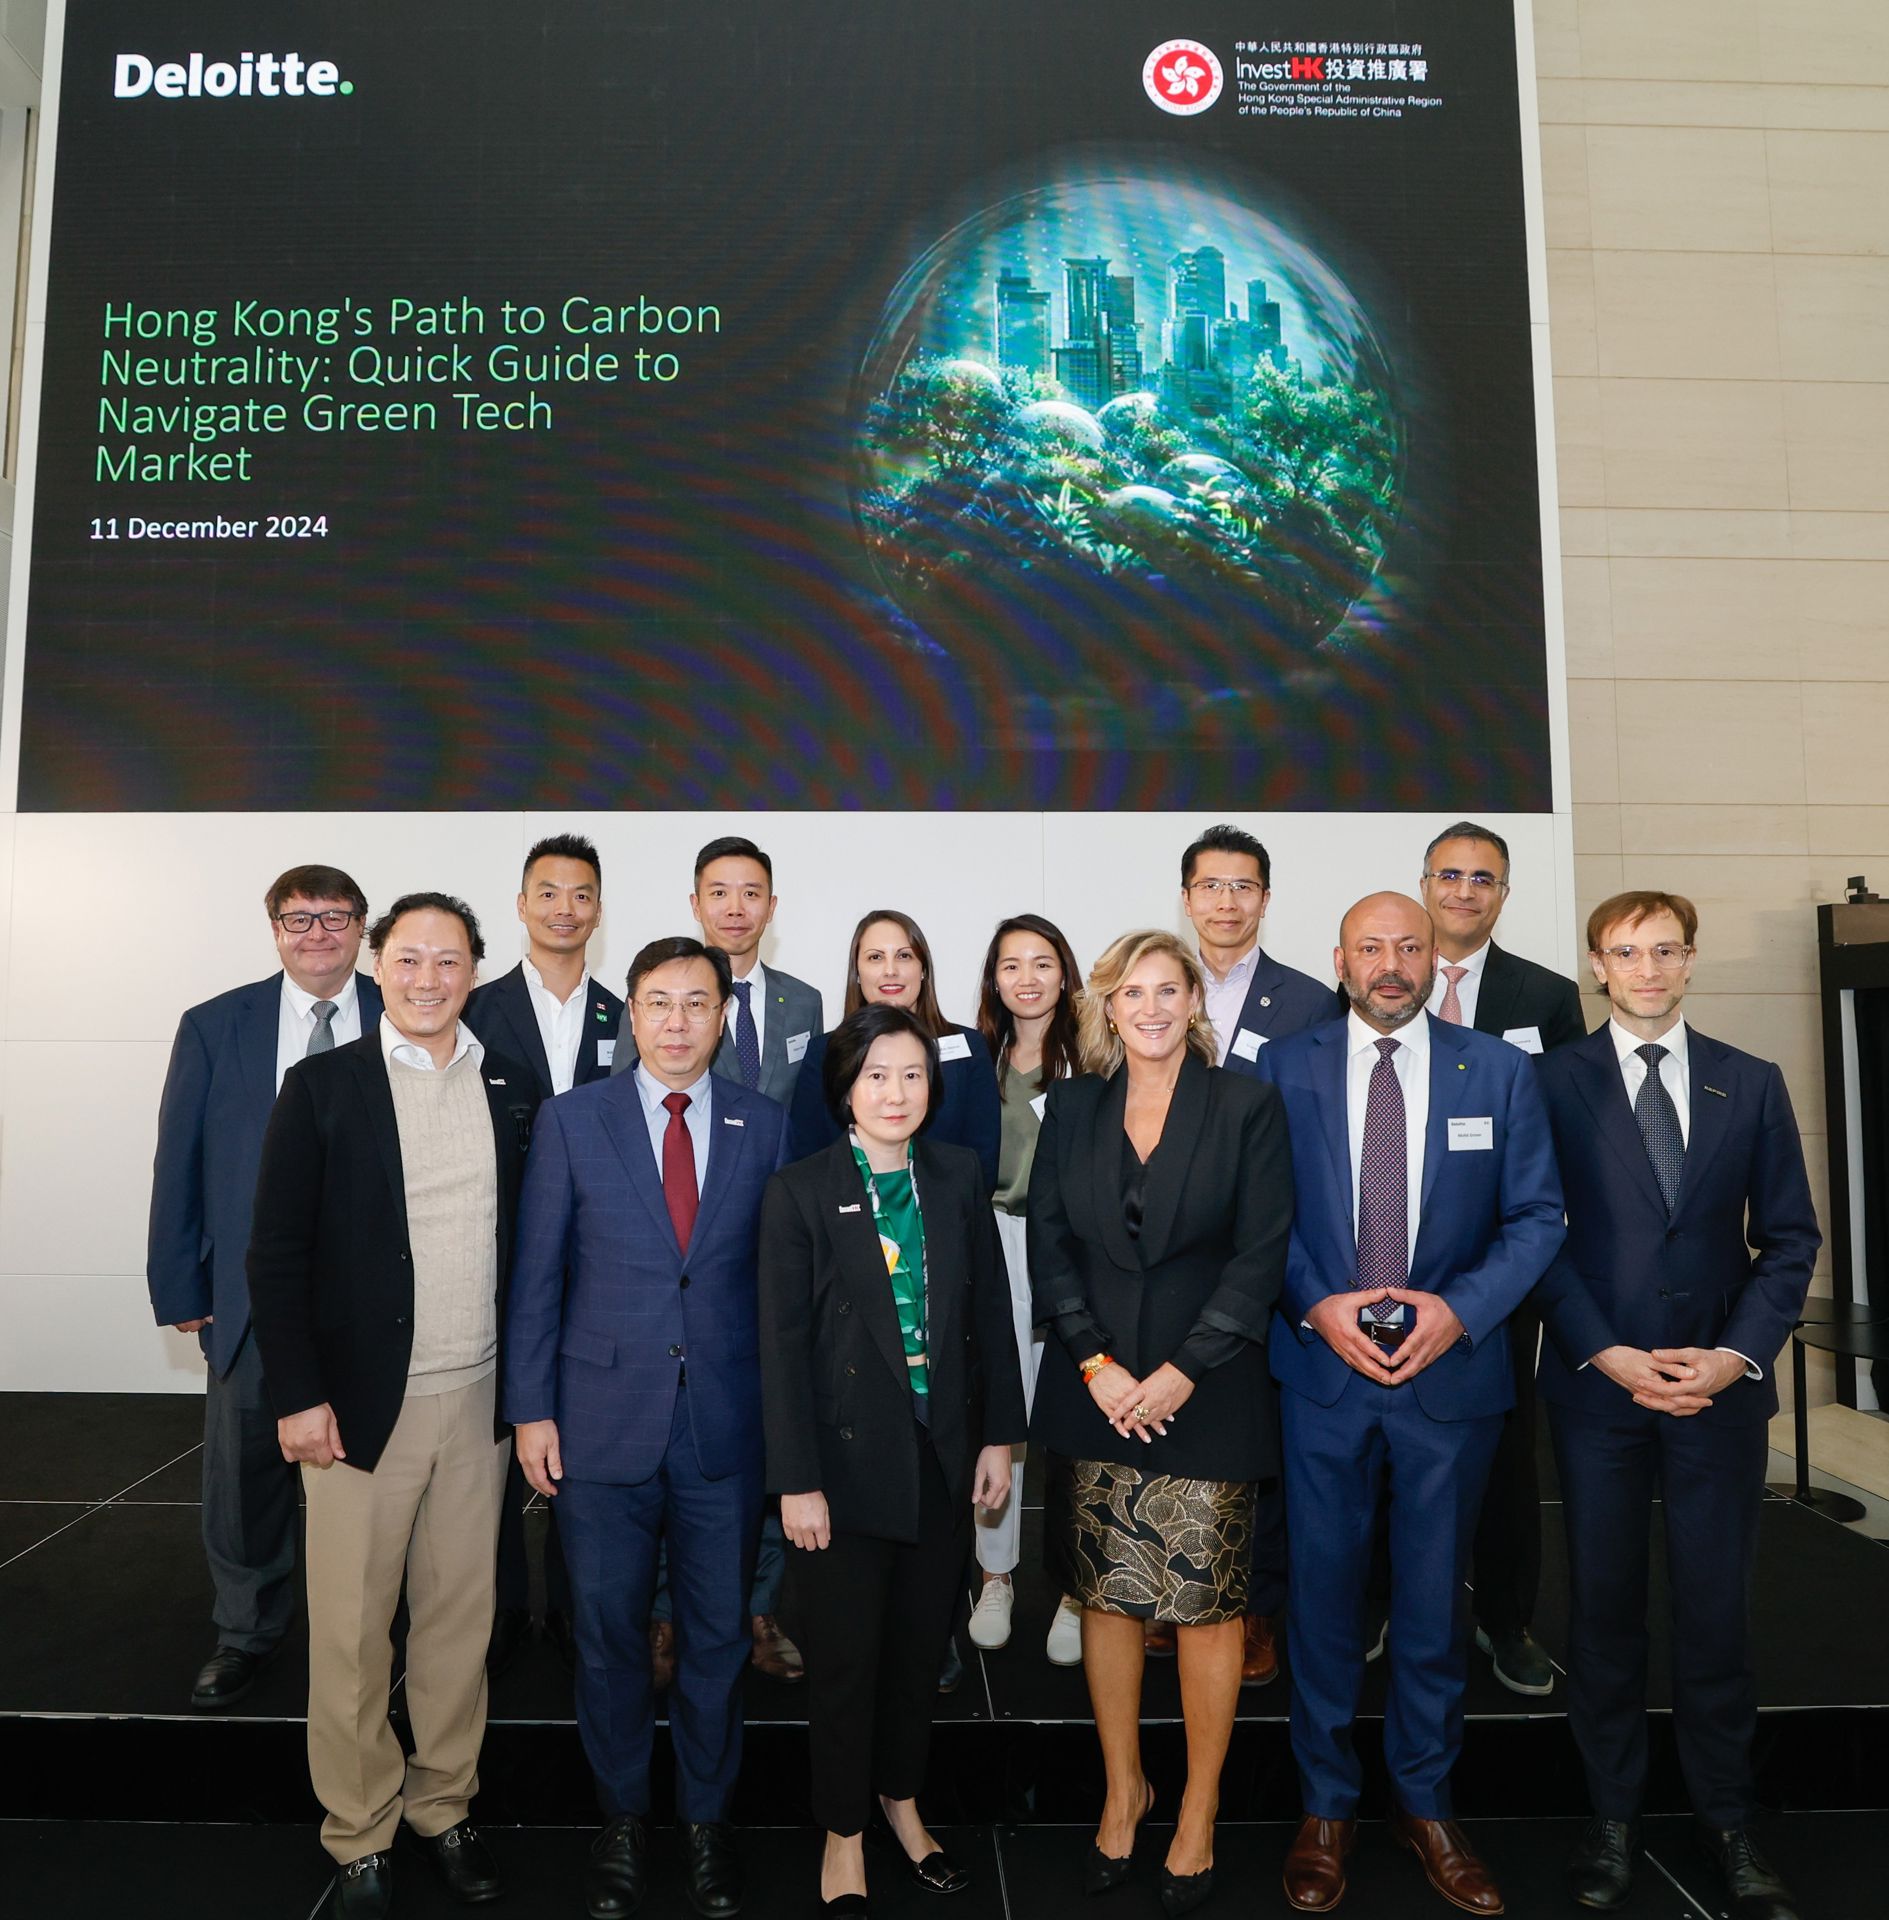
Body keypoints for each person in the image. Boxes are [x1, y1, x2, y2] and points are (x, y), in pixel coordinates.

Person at [1257, 893, 1564, 1917]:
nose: (1390, 965)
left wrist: (1455, 1312)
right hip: (1323, 1378)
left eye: (1408, 947)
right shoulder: (1280, 1066)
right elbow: (1258, 1218)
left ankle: (1425, 1803)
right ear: (1336, 958)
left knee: (1433, 1605)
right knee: (1322, 1599)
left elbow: (1534, 1217)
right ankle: (1326, 1805)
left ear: (1436, 959)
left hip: (1449, 1381)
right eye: (1369, 948)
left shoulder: (1500, 1070)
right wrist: (1316, 1305)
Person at [247, 893, 539, 1919]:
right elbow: (275, 1253)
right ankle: (360, 1825)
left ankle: (441, 1805)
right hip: (358, 1414)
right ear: (379, 965)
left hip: (478, 1403)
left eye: (448, 961)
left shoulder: (509, 1082)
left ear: (472, 971)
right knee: (352, 1631)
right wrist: (298, 1396)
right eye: (408, 958)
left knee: (460, 1624)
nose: (428, 979)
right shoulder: (322, 1086)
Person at [1537, 892, 1818, 1920]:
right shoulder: (1547, 1082)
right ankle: (1610, 1819)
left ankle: (1727, 1823)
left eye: (1663, 950)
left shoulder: (1748, 1083)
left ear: (1689, 961)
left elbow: (1788, 1240)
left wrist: (1735, 1357)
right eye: (1625, 952)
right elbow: (1534, 1234)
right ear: (1596, 968)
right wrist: (1602, 1353)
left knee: (1714, 1617)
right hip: (1595, 1392)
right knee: (1602, 1614)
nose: (1645, 969)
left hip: (1715, 1400)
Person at [506, 935, 789, 1920]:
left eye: (696, 1003)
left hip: (723, 1429)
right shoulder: (573, 1120)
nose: (677, 1022)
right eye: (658, 1003)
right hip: (598, 1426)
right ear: (628, 1014)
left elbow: (780, 1290)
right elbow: (536, 1275)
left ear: (722, 1015)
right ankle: (622, 1818)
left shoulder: (766, 1122)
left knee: (715, 1638)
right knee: (608, 1636)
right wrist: (531, 1409)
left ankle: (707, 1825)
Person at [1030, 929, 1293, 1917]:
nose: (1146, 1007)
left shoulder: (1245, 1106)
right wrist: (1096, 1362)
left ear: (1194, 1003)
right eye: (1128, 992)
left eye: (1164, 990)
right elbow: (1049, 1244)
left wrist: (1183, 1369)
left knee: (1204, 1609)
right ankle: (1120, 1788)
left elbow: (1260, 1251)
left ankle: (1196, 1806)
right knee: (1106, 1600)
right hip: (1094, 1391)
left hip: (1207, 1391)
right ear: (1106, 1007)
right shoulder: (1075, 1106)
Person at [759, 1005, 1026, 1916]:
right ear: (844, 1089)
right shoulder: (799, 1189)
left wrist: (998, 1436)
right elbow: (780, 1349)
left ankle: (902, 1803)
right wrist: (795, 1479)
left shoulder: (954, 1176)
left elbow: (990, 1313)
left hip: (942, 1457)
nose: (895, 1092)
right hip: (838, 1471)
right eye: (876, 1075)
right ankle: (843, 1830)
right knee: (845, 1663)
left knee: (919, 1653)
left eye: (912, 1074)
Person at [147, 864, 382, 1712]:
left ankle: (364, 1637)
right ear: (273, 929)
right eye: (298, 918)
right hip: (249, 1295)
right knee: (245, 1477)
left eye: (335, 917)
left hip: (367, 1301)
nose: (317, 934)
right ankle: (247, 1631)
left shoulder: (405, 1015)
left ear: (363, 927)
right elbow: (180, 1158)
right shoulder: (217, 1025)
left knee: (367, 1478)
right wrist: (178, 1280)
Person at [1418, 820, 1586, 1698]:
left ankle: (1506, 1618)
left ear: (1504, 893)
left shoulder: (1544, 996)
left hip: (1505, 1265)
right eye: (1449, 874)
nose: (1464, 890)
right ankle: (1384, 1600)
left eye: (1483, 878)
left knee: (1508, 1441)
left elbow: (1559, 1134)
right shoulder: (1386, 978)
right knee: (1387, 1438)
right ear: (1425, 883)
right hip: (1395, 1255)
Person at [1177, 823, 1336, 1683]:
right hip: (1170, 1248)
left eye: (1243, 887)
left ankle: (1257, 1608)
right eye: (1210, 886)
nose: (1226, 902)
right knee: (1182, 1426)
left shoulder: (1308, 1000)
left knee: (1261, 1438)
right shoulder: (1153, 985)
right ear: (1187, 896)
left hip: (1270, 1248)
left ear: (1265, 900)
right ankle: (1178, 1591)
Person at [466, 832, 624, 1678]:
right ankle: (489, 1611)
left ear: (599, 908)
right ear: (522, 904)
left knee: (586, 1435)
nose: (565, 909)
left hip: (600, 1258)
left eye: (581, 894)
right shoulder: (473, 1008)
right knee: (492, 1436)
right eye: (549, 893)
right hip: (492, 1251)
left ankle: (567, 1607)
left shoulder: (626, 1014)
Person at [964, 914, 1086, 1666]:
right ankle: (995, 1575)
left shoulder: (1096, 1056)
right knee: (999, 1420)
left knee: (1074, 1423)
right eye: (1011, 966)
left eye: (1042, 963)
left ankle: (1077, 1590)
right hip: (996, 1239)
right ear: (994, 980)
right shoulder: (974, 1058)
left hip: (1075, 1247)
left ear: (1064, 974)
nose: (1028, 979)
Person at [787, 910, 1001, 1196]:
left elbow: (983, 1160)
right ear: (857, 973)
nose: (891, 970)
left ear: (923, 969)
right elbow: (807, 1154)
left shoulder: (968, 1047)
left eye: (904, 956)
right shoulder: (823, 1052)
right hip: (845, 1221)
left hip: (946, 1220)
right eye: (875, 957)